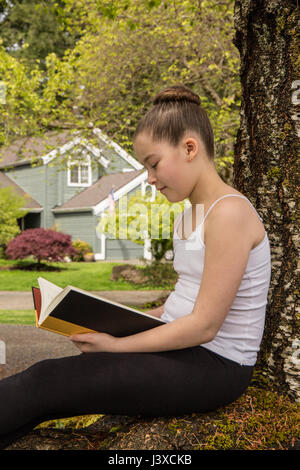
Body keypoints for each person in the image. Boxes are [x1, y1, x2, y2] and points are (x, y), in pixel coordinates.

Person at [0, 85, 271, 449]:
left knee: (45, 381)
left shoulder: (230, 213)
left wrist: (115, 345)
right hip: (185, 350)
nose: (150, 178)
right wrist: (117, 319)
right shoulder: (190, 216)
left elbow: (205, 325)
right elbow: (183, 298)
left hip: (215, 366)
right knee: (43, 386)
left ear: (190, 148)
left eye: (153, 163)